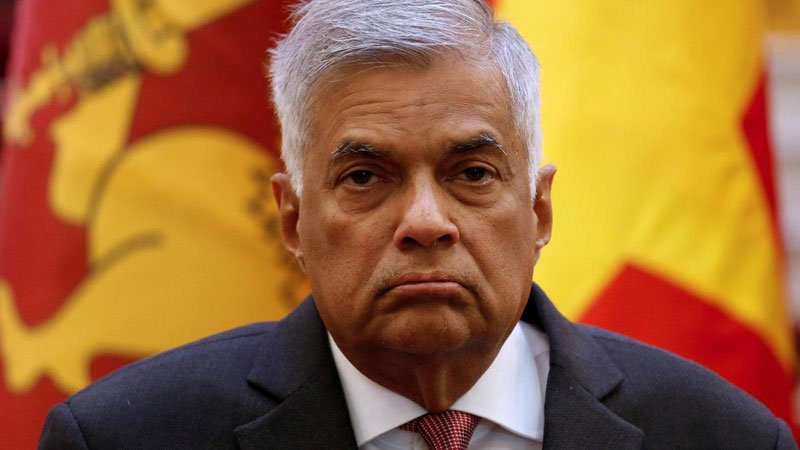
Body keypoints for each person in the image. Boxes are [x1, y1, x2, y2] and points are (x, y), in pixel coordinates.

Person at [38, 0, 796, 448]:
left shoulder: (721, 436)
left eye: (473, 174)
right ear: (293, 221)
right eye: (366, 177)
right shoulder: (125, 437)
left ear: (539, 210)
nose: (427, 223)